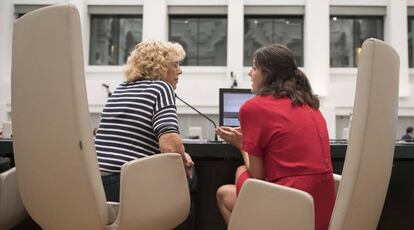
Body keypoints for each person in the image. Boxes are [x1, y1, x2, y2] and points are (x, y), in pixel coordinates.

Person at [215, 44, 335, 230]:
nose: (249, 73)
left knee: (232, 183)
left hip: (289, 205)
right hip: (321, 209)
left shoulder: (253, 107)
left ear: (267, 73)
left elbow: (257, 174)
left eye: (254, 67)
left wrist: (242, 144)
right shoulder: (309, 104)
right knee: (232, 186)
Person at [94, 40, 195, 203]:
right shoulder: (161, 88)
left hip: (97, 186)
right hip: (127, 184)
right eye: (175, 65)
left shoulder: (121, 88)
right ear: (161, 66)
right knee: (192, 180)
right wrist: (185, 160)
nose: (180, 71)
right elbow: (170, 146)